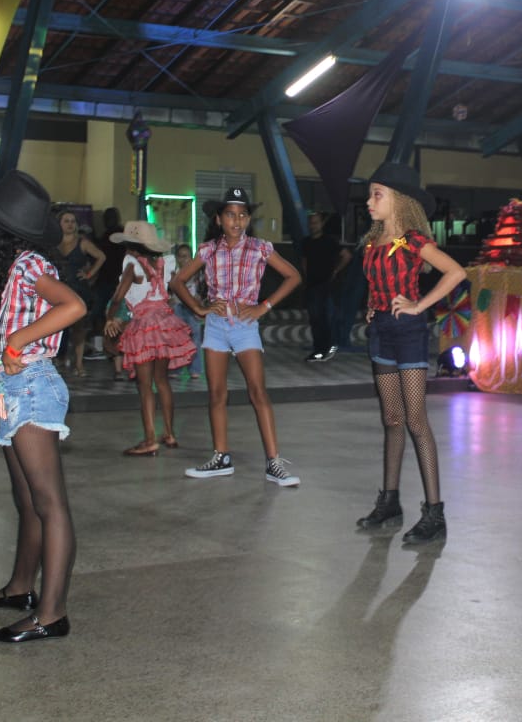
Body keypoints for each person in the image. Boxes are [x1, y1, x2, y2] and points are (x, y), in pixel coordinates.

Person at [0, 170, 83, 643]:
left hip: (30, 386)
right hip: (10, 389)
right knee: (28, 500)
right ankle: (19, 588)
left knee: (49, 503)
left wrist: (17, 341)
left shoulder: (31, 264)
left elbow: (72, 306)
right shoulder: (12, 267)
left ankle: (51, 614)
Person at [354, 163, 466, 544]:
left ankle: (435, 513)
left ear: (399, 200)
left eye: (377, 195)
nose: (369, 202)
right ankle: (390, 502)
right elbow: (378, 284)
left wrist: (419, 305)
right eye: (370, 195)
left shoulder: (413, 241)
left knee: (416, 420)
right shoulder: (373, 241)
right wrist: (373, 306)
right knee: (392, 418)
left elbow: (456, 273)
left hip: (409, 333)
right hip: (382, 332)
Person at [168, 188, 302, 485]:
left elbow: (293, 276)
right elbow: (177, 281)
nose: (237, 221)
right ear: (219, 219)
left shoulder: (260, 248)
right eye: (230, 215)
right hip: (216, 326)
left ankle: (274, 463)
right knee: (217, 394)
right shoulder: (208, 250)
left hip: (244, 326)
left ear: (248, 219)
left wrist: (264, 306)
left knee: (258, 392)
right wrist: (198, 308)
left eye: (242, 215)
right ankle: (221, 458)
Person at [106, 222, 196, 456]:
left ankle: (149, 440)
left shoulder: (132, 265)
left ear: (132, 246)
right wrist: (198, 308)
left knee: (145, 385)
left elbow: (118, 297)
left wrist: (109, 318)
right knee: (162, 380)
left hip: (144, 326)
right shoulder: (165, 263)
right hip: (165, 323)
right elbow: (177, 287)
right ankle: (170, 433)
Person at [54, 209, 104, 379]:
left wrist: (89, 274)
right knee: (57, 326)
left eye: (72, 221)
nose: (70, 224)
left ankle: (79, 363)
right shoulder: (54, 242)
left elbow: (101, 257)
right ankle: (58, 358)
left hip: (77, 288)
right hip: (58, 288)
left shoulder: (82, 242)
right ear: (59, 224)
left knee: (79, 328)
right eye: (66, 221)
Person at [301, 211, 351, 362]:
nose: (313, 225)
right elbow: (304, 261)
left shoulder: (329, 241)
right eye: (311, 223)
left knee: (322, 317)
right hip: (312, 284)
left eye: (316, 222)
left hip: (325, 284)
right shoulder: (306, 242)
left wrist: (335, 271)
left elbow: (347, 255)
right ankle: (320, 349)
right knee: (315, 318)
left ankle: (323, 349)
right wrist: (306, 278)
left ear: (321, 224)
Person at [89, 207, 125, 361]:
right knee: (112, 315)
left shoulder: (108, 236)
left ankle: (107, 348)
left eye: (110, 217)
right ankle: (113, 349)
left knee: (103, 314)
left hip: (110, 281)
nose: (108, 220)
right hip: (113, 280)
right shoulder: (118, 235)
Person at [170, 243, 204, 382]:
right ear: (176, 258)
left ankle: (195, 369)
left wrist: (200, 303)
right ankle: (176, 368)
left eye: (186, 256)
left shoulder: (197, 272)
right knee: (176, 338)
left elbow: (202, 289)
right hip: (177, 306)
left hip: (192, 307)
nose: (183, 259)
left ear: (191, 258)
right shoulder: (173, 272)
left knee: (195, 338)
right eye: (180, 256)